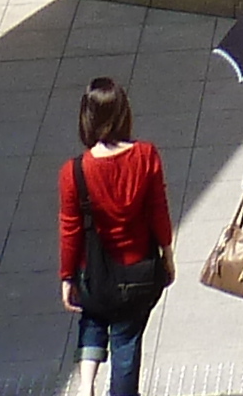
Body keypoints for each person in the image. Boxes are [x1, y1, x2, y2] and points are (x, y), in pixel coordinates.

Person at [55, 75, 175, 392]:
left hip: (94, 274)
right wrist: (168, 254)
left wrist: (67, 276)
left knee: (93, 315)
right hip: (140, 271)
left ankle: (85, 385)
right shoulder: (147, 156)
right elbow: (158, 212)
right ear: (124, 113)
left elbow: (70, 229)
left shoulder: (74, 171)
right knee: (127, 342)